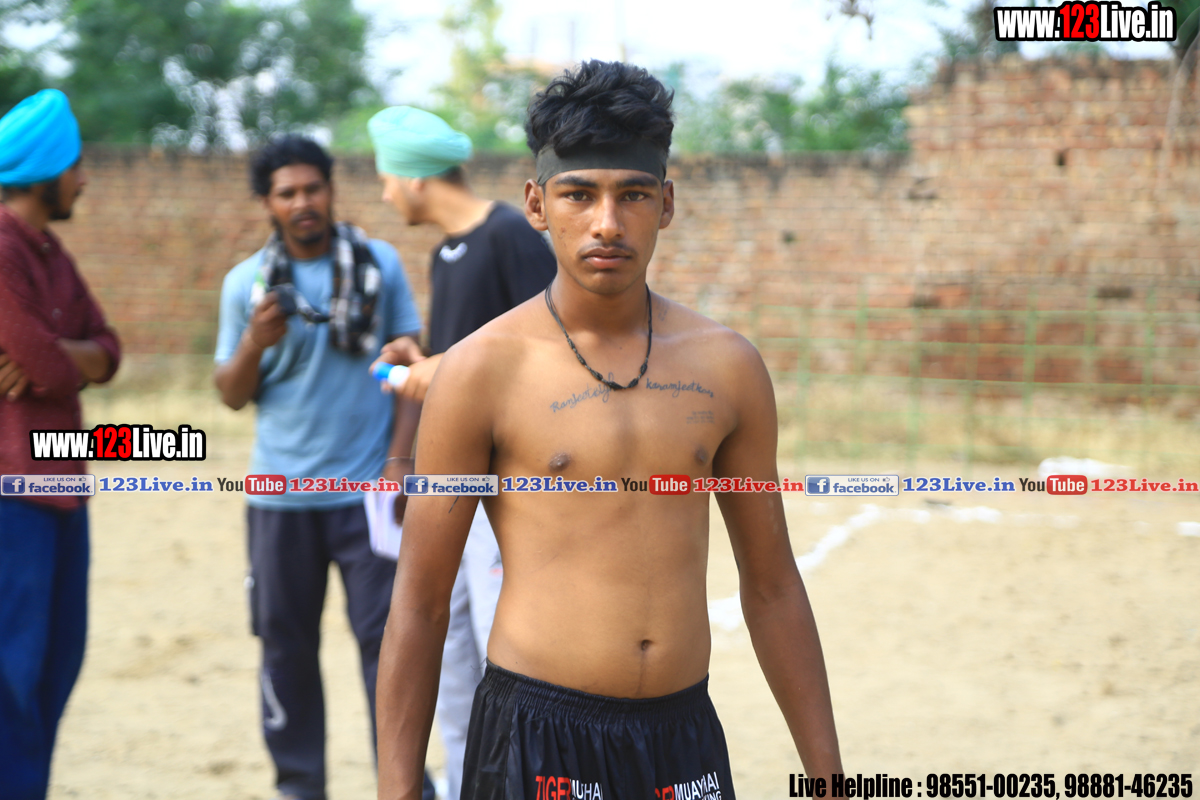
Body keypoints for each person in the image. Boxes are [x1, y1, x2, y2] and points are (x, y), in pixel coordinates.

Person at [374, 61, 843, 800]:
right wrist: (396, 791)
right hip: (536, 735)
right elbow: (421, 602)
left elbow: (774, 585)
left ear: (667, 204)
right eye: (578, 194)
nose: (607, 223)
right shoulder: (481, 371)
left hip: (683, 740)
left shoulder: (727, 367)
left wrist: (829, 779)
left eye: (633, 195)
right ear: (536, 204)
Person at [213, 135, 430, 800]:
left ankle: (402, 784)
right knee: (285, 647)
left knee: (388, 645)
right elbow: (230, 393)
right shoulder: (246, 285)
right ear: (267, 203)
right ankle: (298, 786)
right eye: (287, 193)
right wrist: (255, 341)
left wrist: (399, 463)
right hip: (279, 500)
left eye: (313, 188)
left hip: (367, 494)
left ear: (332, 190)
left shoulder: (378, 264)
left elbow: (411, 369)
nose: (302, 202)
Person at [367, 106, 558, 800]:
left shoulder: (509, 234)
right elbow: (466, 361)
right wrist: (422, 360)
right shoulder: (445, 253)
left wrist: (441, 368)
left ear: (415, 179)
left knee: (501, 658)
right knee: (444, 658)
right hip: (446, 492)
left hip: (504, 496)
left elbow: (548, 352)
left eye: (387, 177)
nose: (384, 192)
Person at [0, 89, 122, 800]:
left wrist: (62, 354)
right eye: (75, 167)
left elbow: (109, 350)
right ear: (47, 172)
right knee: (12, 676)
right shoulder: (2, 249)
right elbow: (48, 365)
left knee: (55, 668)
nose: (83, 179)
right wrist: (63, 356)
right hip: (13, 495)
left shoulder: (52, 254)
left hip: (63, 490)